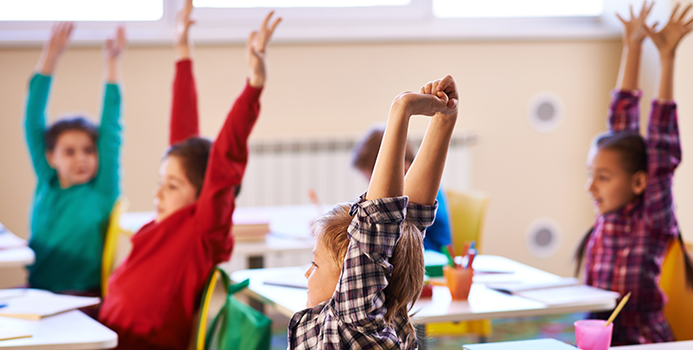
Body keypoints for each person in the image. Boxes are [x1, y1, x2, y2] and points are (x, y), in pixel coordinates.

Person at [98, 1, 281, 348]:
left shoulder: (201, 230)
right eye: (160, 183)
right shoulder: (165, 226)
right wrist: (182, 52)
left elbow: (226, 158)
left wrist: (253, 86)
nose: (158, 194)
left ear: (203, 196)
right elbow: (182, 139)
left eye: (172, 186)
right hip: (106, 332)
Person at [288, 75, 459, 349]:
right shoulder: (391, 320)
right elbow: (408, 223)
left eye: (316, 264)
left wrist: (401, 108)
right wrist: (444, 119)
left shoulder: (352, 322)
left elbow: (379, 226)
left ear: (352, 277)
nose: (308, 274)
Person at [574, 2, 693, 345]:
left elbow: (661, 150)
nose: (591, 186)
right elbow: (620, 129)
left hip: (640, 339)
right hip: (601, 332)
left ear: (639, 182)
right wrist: (632, 46)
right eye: (592, 173)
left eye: (603, 177)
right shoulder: (609, 212)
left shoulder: (651, 217)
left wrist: (666, 59)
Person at [24, 22, 125, 295]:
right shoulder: (48, 180)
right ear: (51, 157)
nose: (81, 158)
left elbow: (111, 128)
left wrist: (112, 63)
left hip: (83, 296)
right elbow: (32, 120)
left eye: (88, 150)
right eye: (69, 152)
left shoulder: (103, 190)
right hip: (37, 290)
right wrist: (50, 56)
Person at [351, 126, 452, 252]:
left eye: (373, 181)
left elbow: (393, 227)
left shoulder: (425, 189)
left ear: (402, 168)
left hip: (432, 260)